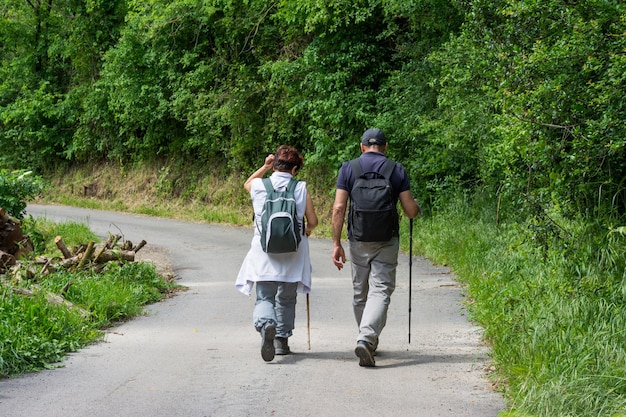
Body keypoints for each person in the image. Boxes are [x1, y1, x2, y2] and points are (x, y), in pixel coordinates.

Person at [331, 128, 420, 367]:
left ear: (362, 147)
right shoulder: (396, 169)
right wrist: (417, 207)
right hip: (386, 239)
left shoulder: (348, 168)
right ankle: (367, 337)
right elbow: (410, 210)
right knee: (380, 290)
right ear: (385, 147)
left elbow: (339, 208)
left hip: (358, 239)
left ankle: (366, 336)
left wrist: (336, 243)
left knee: (360, 291)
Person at [236, 145, 318, 362]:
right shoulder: (300, 188)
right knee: (287, 298)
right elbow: (313, 222)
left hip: (264, 253)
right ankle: (281, 341)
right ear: (294, 169)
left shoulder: (260, 186)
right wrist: (306, 232)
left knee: (265, 296)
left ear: (275, 165)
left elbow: (246, 183)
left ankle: (266, 324)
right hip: (293, 253)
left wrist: (264, 167)